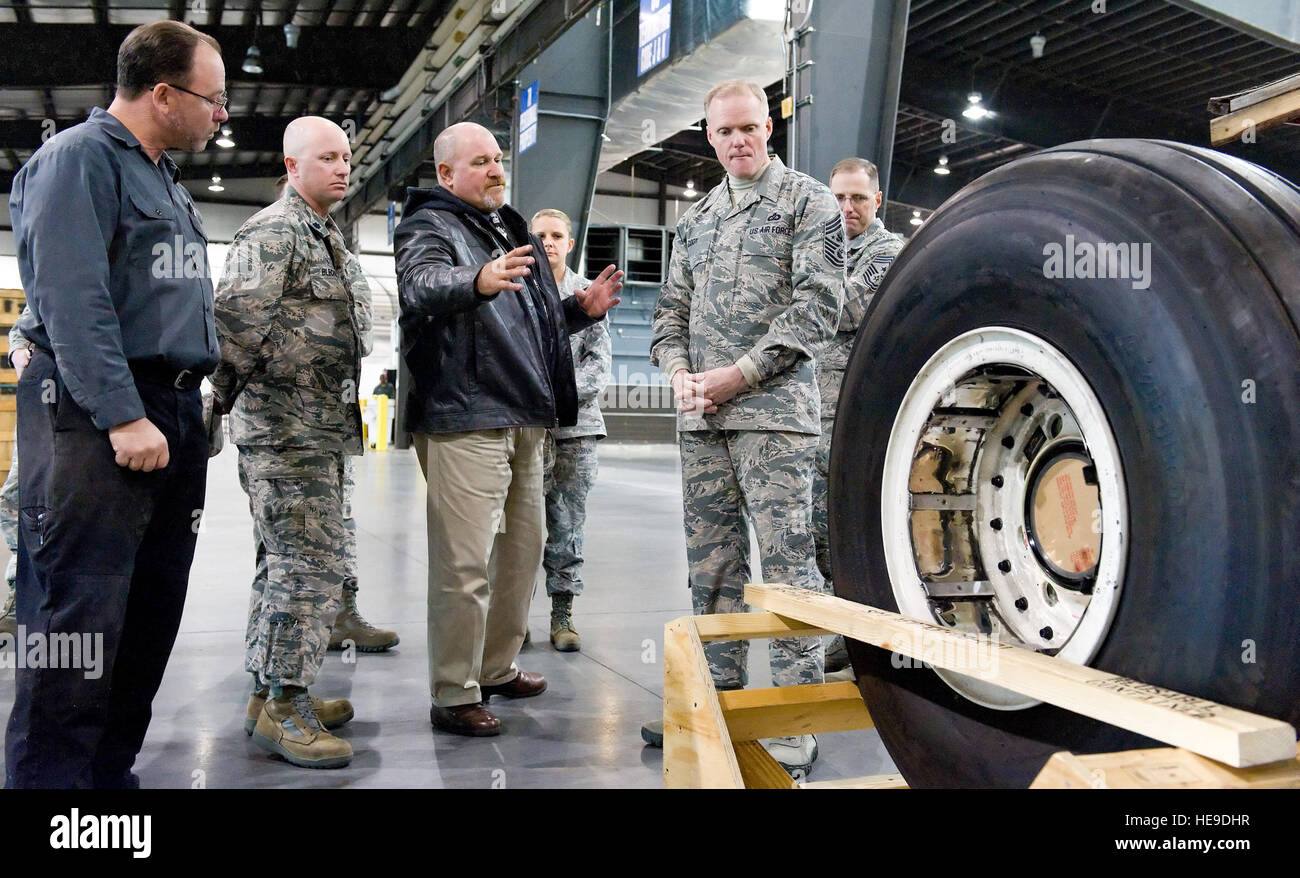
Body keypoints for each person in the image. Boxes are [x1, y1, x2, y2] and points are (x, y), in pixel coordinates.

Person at [4, 20, 225, 788]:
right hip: (98, 412)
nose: (221, 114)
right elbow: (72, 300)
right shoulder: (78, 161)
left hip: (167, 410)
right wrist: (121, 414)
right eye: (212, 98)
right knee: (76, 622)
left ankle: (102, 781)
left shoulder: (161, 176)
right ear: (163, 94)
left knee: (146, 617)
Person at [394, 121, 622, 737]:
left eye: (499, 159)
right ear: (446, 174)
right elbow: (419, 287)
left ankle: (495, 667)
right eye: (481, 162)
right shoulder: (428, 226)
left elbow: (531, 324)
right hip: (465, 417)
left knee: (522, 551)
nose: (497, 170)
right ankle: (453, 689)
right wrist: (474, 279)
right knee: (464, 564)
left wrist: (577, 311)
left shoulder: (508, 225)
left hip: (524, 416)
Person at [645, 79, 844, 777]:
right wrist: (678, 371)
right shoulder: (696, 219)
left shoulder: (809, 203)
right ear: (708, 136)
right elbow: (669, 312)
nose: (738, 141)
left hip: (775, 418)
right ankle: (717, 696)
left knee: (789, 571)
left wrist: (742, 373)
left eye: (749, 128)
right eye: (724, 131)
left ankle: (797, 717)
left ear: (770, 126)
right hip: (701, 421)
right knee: (714, 568)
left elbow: (818, 308)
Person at [211, 117, 385, 769]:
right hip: (283, 433)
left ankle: (266, 691)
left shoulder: (325, 233)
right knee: (308, 566)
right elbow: (232, 333)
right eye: (327, 158)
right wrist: (216, 414)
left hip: (318, 429)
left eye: (347, 156)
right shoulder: (274, 232)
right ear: (292, 167)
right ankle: (288, 705)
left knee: (279, 562)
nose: (343, 168)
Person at [818, 157, 904, 674]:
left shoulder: (885, 251)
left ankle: (861, 635)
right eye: (839, 198)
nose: (847, 208)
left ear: (877, 202)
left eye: (857, 198)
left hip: (858, 416)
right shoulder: (826, 251)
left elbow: (843, 308)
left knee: (853, 524)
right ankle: (842, 626)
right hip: (816, 413)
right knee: (818, 526)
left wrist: (798, 295)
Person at [530, 208, 613, 652]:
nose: (548, 241)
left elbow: (599, 365)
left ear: (570, 242)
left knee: (567, 524)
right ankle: (511, 618)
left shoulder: (587, 293)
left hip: (575, 431)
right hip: (525, 431)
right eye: (539, 234)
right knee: (519, 528)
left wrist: (553, 396)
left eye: (556, 235)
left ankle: (562, 612)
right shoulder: (517, 289)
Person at [0, 310, 33, 639]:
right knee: (17, 497)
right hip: (46, 402)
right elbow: (22, 328)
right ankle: (20, 594)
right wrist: (18, 351)